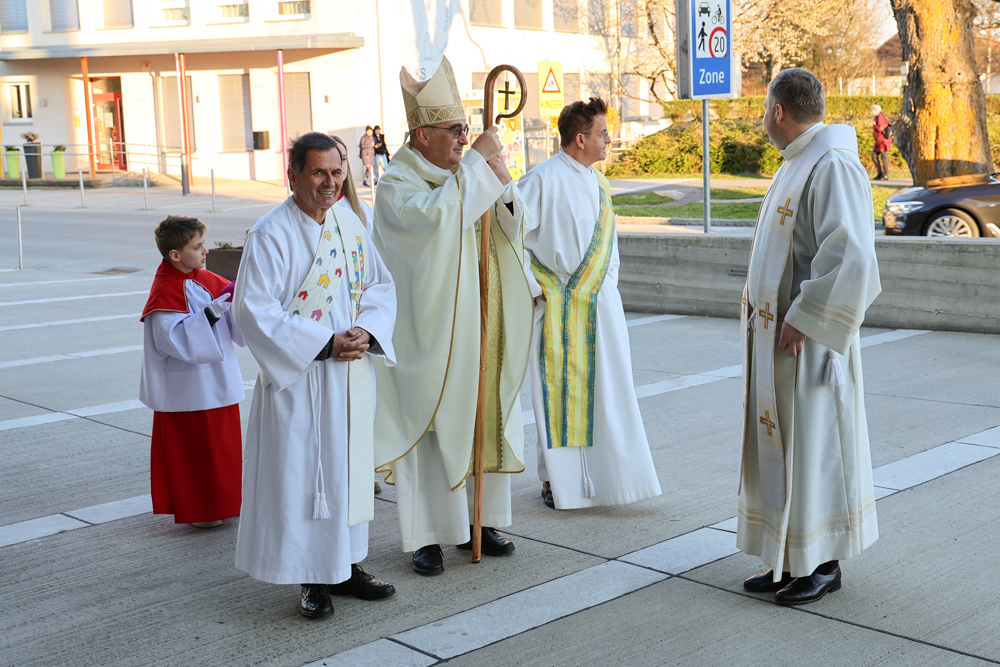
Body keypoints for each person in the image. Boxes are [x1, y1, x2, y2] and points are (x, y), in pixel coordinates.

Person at [372, 55, 533, 577]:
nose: (464, 138)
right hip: (434, 331)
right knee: (434, 423)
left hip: (483, 320)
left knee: (484, 412)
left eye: (465, 129)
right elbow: (435, 223)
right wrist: (476, 170)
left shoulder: (463, 173)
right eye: (455, 131)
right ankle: (429, 536)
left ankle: (480, 520)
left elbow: (514, 225)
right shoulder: (398, 185)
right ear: (422, 136)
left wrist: (501, 182)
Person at [232, 132, 398, 619]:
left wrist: (367, 330)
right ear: (293, 177)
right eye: (319, 172)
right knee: (303, 478)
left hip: (349, 376)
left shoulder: (349, 222)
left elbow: (379, 285)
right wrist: (325, 343)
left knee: (347, 473)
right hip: (300, 379)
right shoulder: (270, 234)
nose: (330, 182)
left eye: (337, 172)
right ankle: (312, 577)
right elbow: (253, 310)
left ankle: (345, 565)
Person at [739, 68, 881, 606]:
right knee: (787, 449)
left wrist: (804, 315)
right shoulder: (799, 161)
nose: (763, 118)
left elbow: (851, 254)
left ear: (778, 111)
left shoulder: (832, 164)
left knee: (815, 448)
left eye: (764, 109)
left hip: (811, 344)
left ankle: (822, 563)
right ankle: (787, 557)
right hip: (779, 340)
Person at [518, 97, 661, 510]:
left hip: (601, 305)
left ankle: (612, 479)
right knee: (557, 397)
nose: (609, 140)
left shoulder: (599, 182)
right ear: (580, 139)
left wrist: (604, 287)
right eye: (603, 133)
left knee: (610, 396)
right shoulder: (540, 180)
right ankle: (557, 481)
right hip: (558, 307)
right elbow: (509, 238)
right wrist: (537, 286)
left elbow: (610, 246)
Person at [139, 215, 245, 529]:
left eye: (203, 244)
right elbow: (170, 338)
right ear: (175, 255)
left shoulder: (205, 278)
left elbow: (232, 315)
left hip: (218, 379)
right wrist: (209, 315)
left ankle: (226, 502)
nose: (205, 251)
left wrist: (239, 303)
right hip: (189, 389)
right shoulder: (165, 289)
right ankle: (202, 510)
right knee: (197, 452)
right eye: (197, 247)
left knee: (223, 449)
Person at [331, 132, 383, 495]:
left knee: (360, 409)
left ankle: (363, 471)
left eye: (339, 165)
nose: (333, 176)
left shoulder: (359, 212)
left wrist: (367, 325)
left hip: (355, 325)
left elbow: (376, 274)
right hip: (325, 333)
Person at [870, 104, 891, 181]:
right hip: (879, 140)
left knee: (883, 156)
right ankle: (880, 173)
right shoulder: (878, 117)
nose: (871, 112)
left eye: (872, 111)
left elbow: (880, 128)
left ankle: (885, 175)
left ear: (876, 110)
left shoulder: (880, 117)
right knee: (874, 156)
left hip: (882, 140)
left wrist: (874, 125)